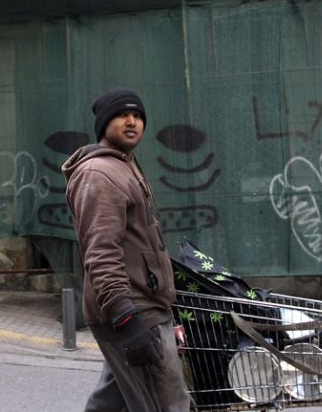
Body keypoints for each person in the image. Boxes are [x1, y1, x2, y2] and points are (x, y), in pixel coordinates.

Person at [62, 87, 191, 412]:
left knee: (112, 401)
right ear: (104, 123)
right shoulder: (99, 175)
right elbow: (101, 254)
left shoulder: (124, 165)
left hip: (145, 306)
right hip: (132, 311)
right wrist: (126, 318)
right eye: (122, 115)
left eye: (137, 116)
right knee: (167, 405)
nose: (131, 121)